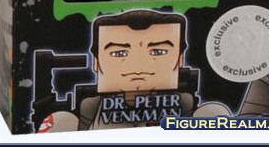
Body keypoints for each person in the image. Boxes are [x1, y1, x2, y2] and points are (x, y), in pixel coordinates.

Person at [36, 10, 229, 132]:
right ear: (96, 61)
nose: (139, 64)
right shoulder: (90, 108)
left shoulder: (184, 105)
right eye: (119, 53)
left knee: (215, 114)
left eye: (158, 52)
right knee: (61, 121)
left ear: (179, 59)